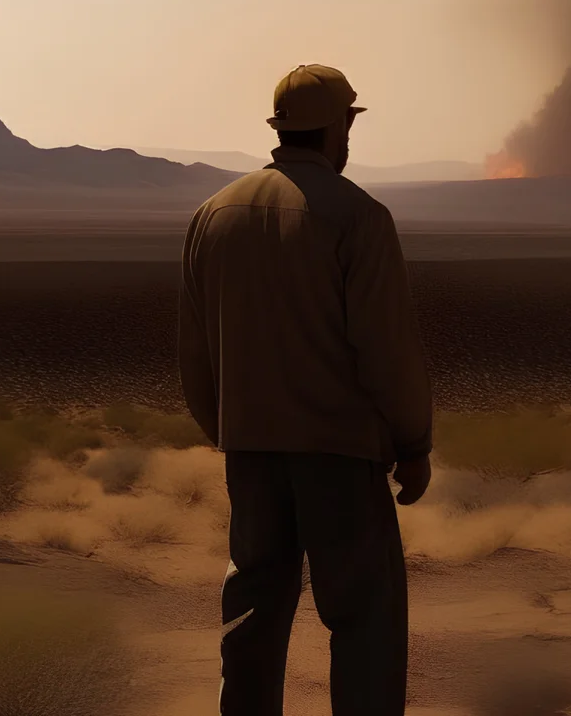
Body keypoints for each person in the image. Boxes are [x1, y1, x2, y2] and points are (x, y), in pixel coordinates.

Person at [177, 63, 433, 716]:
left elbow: (196, 353)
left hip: (252, 450)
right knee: (364, 619)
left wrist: (230, 431)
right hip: (339, 453)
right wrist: (412, 442)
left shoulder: (213, 216)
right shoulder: (357, 217)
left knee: (253, 616)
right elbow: (387, 349)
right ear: (339, 127)